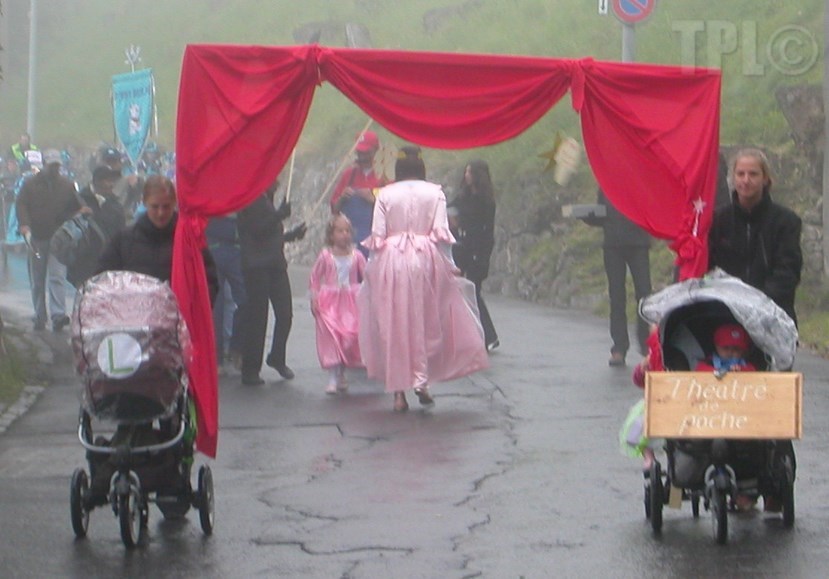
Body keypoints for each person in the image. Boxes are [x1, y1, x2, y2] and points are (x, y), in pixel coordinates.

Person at [358, 145, 489, 412]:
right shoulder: (435, 193)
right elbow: (441, 236)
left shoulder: (385, 194)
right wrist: (451, 266)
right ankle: (422, 381)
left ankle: (397, 393)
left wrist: (371, 271)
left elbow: (378, 237)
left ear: (399, 168)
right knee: (423, 320)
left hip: (391, 261)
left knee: (394, 324)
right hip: (424, 259)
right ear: (421, 167)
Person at [708, 148, 802, 325]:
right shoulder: (718, 221)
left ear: (765, 179)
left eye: (753, 174)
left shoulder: (786, 222)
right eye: (740, 174)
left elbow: (788, 272)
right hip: (726, 316)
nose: (746, 180)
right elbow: (708, 268)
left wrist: (756, 302)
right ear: (733, 178)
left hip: (773, 317)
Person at [97, 175, 218, 304]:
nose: (160, 213)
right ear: (144, 202)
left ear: (174, 203)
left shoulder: (189, 241)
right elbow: (101, 280)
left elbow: (209, 281)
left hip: (178, 319)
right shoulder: (123, 240)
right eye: (155, 207)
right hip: (134, 319)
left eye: (166, 207)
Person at [237, 181, 307, 386]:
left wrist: (290, 235)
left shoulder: (266, 200)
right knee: (258, 317)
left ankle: (277, 356)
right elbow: (257, 230)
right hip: (256, 266)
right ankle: (251, 368)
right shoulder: (249, 197)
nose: (277, 182)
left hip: (275, 263)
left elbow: (268, 234)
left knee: (285, 314)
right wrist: (279, 215)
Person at [582, 188, 652, 367]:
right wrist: (587, 216)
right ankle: (619, 348)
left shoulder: (640, 176)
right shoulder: (605, 180)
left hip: (639, 243)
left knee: (645, 296)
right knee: (617, 296)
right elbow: (602, 214)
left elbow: (652, 206)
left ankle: (647, 346)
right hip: (613, 245)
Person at [15, 148, 82, 331]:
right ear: (44, 165)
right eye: (51, 166)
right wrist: (24, 224)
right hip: (36, 238)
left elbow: (76, 207)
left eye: (57, 166)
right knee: (37, 279)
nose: (54, 169)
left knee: (57, 276)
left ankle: (58, 314)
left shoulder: (67, 185)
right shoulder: (29, 184)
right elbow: (21, 204)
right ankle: (39, 314)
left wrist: (77, 217)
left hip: (59, 240)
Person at [309, 214, 367, 394]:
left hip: (351, 301)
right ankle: (333, 377)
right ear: (331, 235)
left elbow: (367, 277)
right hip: (331, 301)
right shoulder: (326, 256)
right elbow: (315, 278)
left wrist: (366, 295)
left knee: (349, 337)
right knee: (333, 337)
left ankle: (342, 372)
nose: (344, 235)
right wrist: (314, 298)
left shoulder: (357, 255)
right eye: (340, 231)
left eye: (347, 231)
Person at [448, 160, 499, 351]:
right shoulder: (464, 196)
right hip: (463, 248)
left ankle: (488, 335)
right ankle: (474, 334)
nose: (466, 175)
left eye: (470, 172)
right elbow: (450, 207)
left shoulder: (486, 201)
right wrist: (453, 219)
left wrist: (482, 255)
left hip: (478, 251)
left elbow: (487, 232)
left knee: (474, 292)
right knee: (461, 291)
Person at [66, 165, 127, 288]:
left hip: (107, 265)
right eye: (107, 180)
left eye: (112, 181)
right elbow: (64, 223)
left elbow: (121, 234)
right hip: (83, 264)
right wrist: (77, 214)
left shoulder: (116, 204)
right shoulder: (79, 199)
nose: (111, 184)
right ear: (96, 182)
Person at [330, 130, 388, 257]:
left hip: (376, 241)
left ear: (375, 151)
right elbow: (334, 209)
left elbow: (393, 212)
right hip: (350, 241)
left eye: (365, 152)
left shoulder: (384, 178)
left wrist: (374, 200)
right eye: (359, 151)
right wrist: (342, 198)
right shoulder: (348, 175)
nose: (361, 155)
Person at [206, 213, 246, 369]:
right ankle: (217, 357)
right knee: (217, 305)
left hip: (236, 248)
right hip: (215, 244)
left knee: (246, 300)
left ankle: (235, 348)